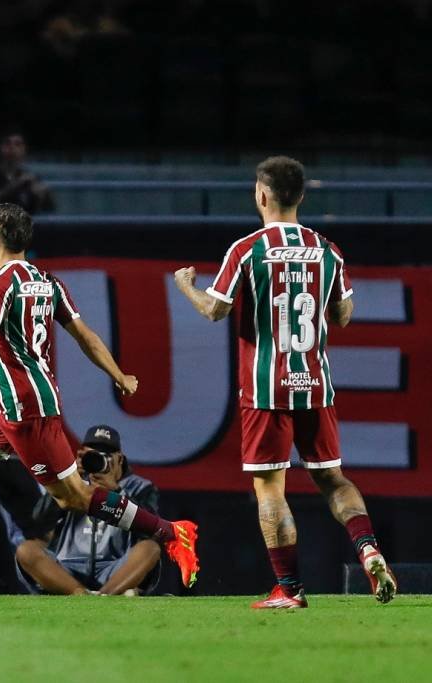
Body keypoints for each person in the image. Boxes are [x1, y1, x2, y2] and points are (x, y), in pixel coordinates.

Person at [0, 203, 200, 589]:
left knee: (75, 497)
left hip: (25, 408)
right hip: (4, 401)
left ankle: (170, 533)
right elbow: (84, 335)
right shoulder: (47, 281)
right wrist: (118, 374)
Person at [174, 155, 396, 608]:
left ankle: (290, 589)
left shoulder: (247, 249)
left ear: (261, 194)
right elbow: (344, 315)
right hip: (315, 384)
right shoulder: (326, 249)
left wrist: (185, 286)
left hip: (265, 389)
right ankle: (368, 548)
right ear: (302, 196)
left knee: (270, 489)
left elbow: (215, 309)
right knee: (334, 479)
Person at [16, 425, 162, 596]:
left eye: (104, 457)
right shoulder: (73, 482)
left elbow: (151, 530)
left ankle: (107, 594)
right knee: (26, 550)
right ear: (81, 456)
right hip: (68, 566)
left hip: (114, 566)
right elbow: (38, 523)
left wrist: (116, 492)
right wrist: (66, 481)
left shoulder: (139, 487)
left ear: (120, 460)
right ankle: (80, 594)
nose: (97, 463)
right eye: (91, 456)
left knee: (150, 548)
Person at [0, 131, 55, 215]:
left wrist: (45, 196)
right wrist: (14, 186)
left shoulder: (31, 178)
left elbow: (48, 208)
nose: (12, 148)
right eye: (7, 143)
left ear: (24, 150)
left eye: (17, 144)